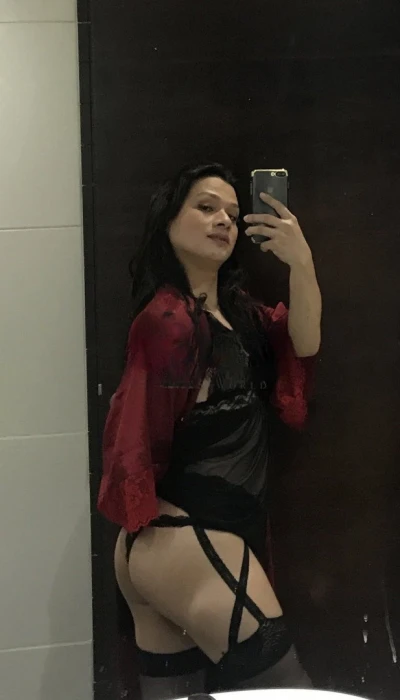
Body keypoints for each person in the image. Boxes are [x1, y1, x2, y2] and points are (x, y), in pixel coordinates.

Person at [98, 163, 322, 700]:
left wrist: (302, 261)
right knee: (285, 689)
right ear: (168, 223)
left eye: (232, 213)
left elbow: (304, 343)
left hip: (172, 546)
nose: (223, 219)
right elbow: (131, 432)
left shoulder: (234, 315)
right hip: (185, 537)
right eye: (205, 207)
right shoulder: (169, 320)